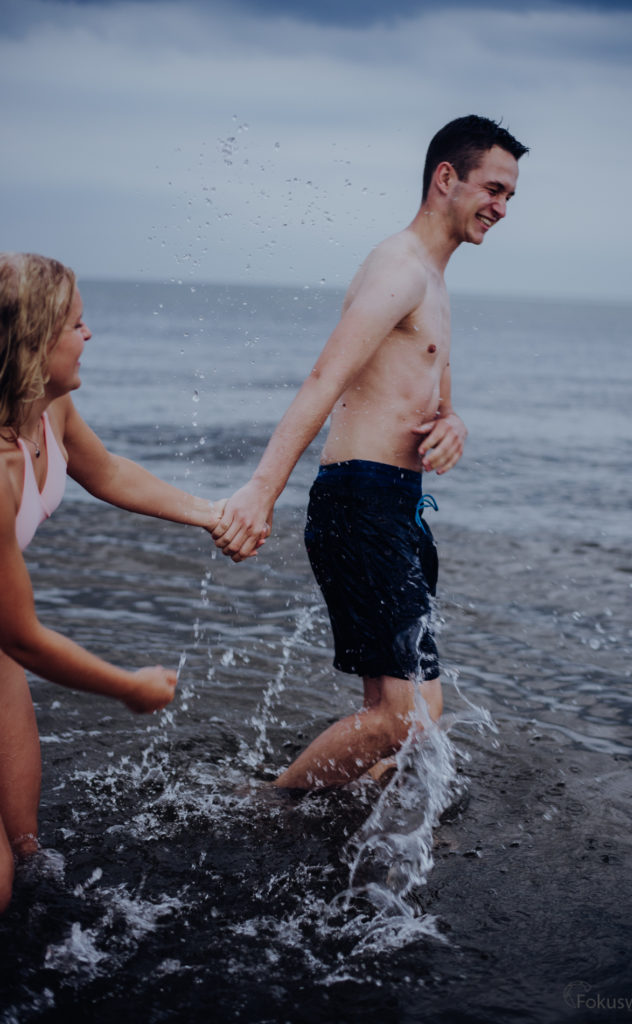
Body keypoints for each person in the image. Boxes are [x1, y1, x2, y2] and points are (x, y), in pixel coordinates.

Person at [213, 115, 529, 789]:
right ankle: (271, 807)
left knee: (400, 712)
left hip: (396, 505)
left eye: (510, 196)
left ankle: (351, 828)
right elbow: (325, 378)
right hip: (360, 500)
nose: (501, 208)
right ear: (445, 178)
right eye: (493, 188)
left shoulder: (435, 284)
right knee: (408, 716)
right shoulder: (400, 267)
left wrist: (455, 427)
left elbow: (434, 405)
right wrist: (259, 492)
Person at [0, 252, 232, 913]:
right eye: (76, 324)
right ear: (33, 341)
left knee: (27, 852)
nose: (89, 335)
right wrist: (126, 687)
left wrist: (210, 515)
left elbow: (108, 473)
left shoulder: (50, 412)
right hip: (6, 641)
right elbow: (24, 638)